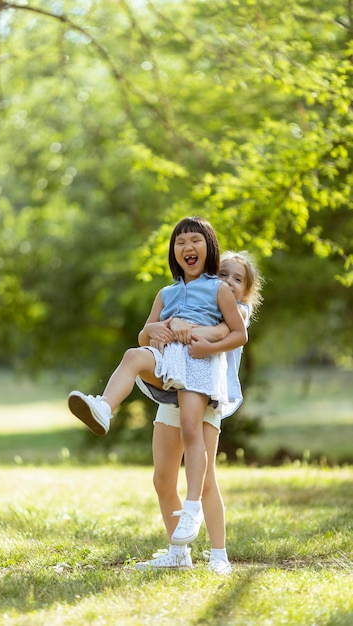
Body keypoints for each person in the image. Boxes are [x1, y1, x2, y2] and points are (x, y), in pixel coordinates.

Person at [68, 216, 248, 547]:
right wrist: (153, 330)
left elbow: (239, 333)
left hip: (197, 365)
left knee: (192, 430)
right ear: (173, 253)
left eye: (194, 240)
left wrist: (207, 344)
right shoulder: (165, 293)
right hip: (167, 363)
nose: (187, 247)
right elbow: (143, 333)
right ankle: (104, 408)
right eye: (180, 243)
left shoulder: (219, 289)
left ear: (209, 248)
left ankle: (192, 508)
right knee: (133, 355)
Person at [135, 250, 264, 573]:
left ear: (246, 290)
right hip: (175, 392)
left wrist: (184, 329)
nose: (229, 283)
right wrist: (167, 325)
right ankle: (178, 554)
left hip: (208, 395)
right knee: (163, 477)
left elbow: (225, 334)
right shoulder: (191, 299)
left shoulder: (237, 311)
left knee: (206, 480)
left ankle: (219, 554)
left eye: (238, 279)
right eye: (223, 275)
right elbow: (151, 331)